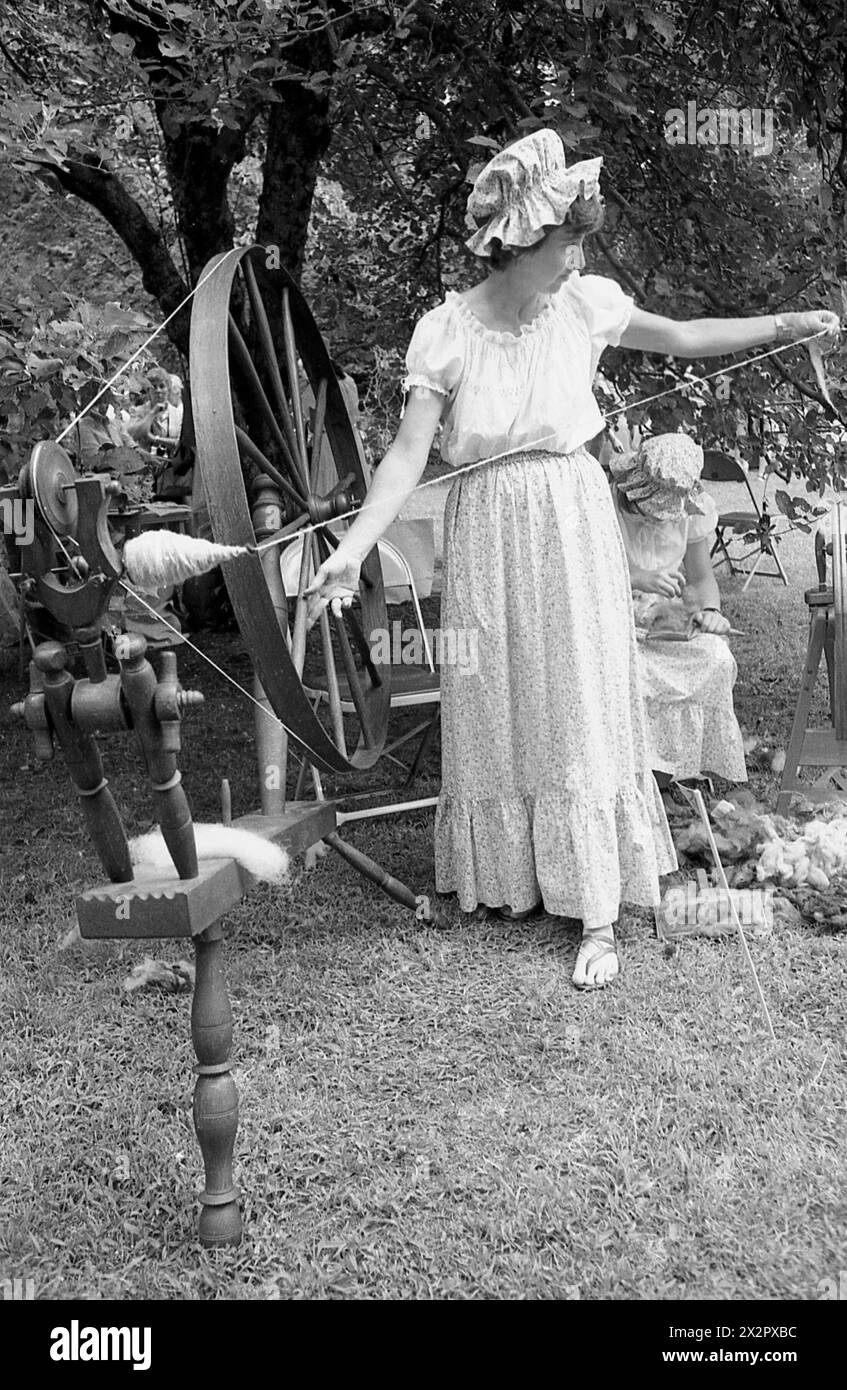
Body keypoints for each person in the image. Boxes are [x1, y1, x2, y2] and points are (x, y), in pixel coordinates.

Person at [305, 128, 839, 989]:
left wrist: (788, 321)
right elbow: (405, 457)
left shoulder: (584, 304)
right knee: (501, 692)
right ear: (520, 241)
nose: (578, 254)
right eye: (567, 240)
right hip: (484, 527)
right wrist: (350, 549)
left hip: (568, 511)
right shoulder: (444, 332)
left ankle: (596, 905)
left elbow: (684, 335)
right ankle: (512, 879)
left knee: (578, 696)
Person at [609, 432, 748, 788]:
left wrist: (711, 611)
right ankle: (638, 777)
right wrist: (639, 579)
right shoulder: (604, 506)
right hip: (615, 621)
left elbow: (702, 579)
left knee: (715, 658)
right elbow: (585, 575)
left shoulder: (690, 508)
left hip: (667, 623)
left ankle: (679, 772)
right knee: (632, 672)